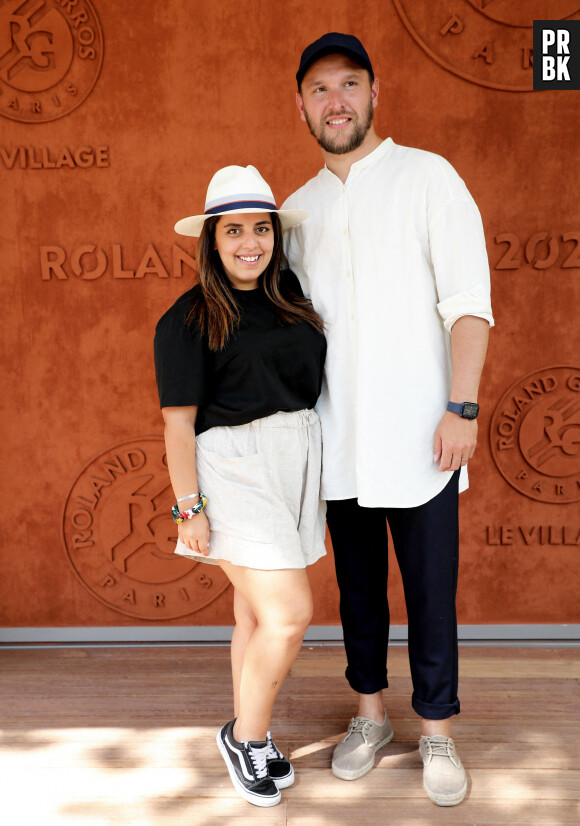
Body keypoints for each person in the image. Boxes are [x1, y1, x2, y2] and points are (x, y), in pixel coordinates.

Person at [282, 33, 494, 807]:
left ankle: (437, 729)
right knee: (359, 588)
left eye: (349, 85)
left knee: (432, 590)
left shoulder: (428, 178)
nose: (335, 101)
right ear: (300, 104)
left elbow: (469, 303)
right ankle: (368, 716)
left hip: (423, 437)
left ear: (376, 94)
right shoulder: (294, 211)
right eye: (319, 89)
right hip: (337, 442)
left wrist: (460, 407)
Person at [153, 164, 327, 808]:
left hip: (294, 459)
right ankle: (245, 736)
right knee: (290, 613)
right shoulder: (188, 318)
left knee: (254, 613)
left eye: (261, 229)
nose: (249, 242)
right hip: (232, 468)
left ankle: (252, 732)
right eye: (234, 231)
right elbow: (178, 426)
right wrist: (189, 508)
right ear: (212, 239)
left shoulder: (288, 294)